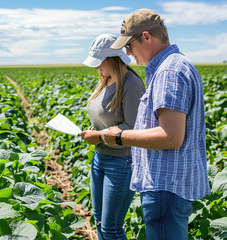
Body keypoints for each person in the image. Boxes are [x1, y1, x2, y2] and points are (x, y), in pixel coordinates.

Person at [100, 9, 211, 240]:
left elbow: (170, 136)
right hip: (169, 188)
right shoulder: (175, 65)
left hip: (165, 187)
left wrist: (119, 136)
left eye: (129, 46)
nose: (128, 54)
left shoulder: (169, 71)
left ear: (147, 37)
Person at [79, 33, 145, 240]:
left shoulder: (131, 84)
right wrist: (93, 130)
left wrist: (97, 136)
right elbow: (105, 117)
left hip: (122, 163)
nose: (96, 67)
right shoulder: (106, 81)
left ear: (113, 59)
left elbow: (133, 128)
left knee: (111, 227)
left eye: (100, 62)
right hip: (100, 159)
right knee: (99, 219)